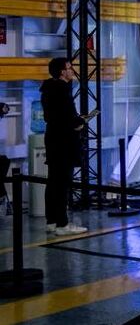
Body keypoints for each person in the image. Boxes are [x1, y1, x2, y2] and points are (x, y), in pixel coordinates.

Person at [40, 57, 90, 235]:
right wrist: (80, 122)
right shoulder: (62, 90)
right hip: (64, 142)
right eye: (69, 68)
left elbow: (53, 116)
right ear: (62, 72)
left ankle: (52, 221)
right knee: (62, 183)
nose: (72, 70)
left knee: (53, 182)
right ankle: (62, 224)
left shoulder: (47, 89)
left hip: (52, 139)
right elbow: (68, 117)